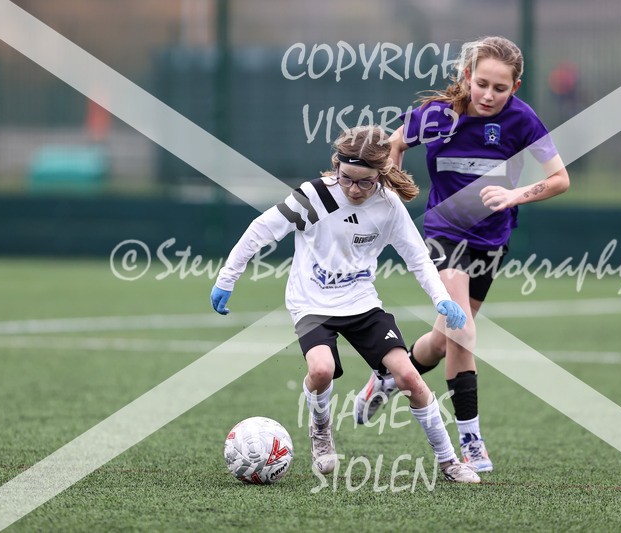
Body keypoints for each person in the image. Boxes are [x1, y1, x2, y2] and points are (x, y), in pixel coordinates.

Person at [210, 125, 480, 483]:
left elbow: (418, 258)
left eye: (364, 182)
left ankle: (449, 462)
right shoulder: (315, 196)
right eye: (346, 178)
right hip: (312, 303)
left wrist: (442, 300)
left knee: (409, 377)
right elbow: (261, 229)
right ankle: (321, 431)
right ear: (336, 166)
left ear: (380, 175)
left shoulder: (388, 206)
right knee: (320, 370)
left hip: (362, 303)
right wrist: (227, 278)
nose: (354, 189)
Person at [354, 36, 570, 473]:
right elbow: (394, 143)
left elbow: (560, 179)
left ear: (516, 87)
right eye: (483, 84)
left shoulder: (523, 120)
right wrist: (393, 181)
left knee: (441, 340)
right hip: (443, 231)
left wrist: (515, 196)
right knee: (463, 329)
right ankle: (471, 441)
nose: (489, 95)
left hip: (491, 241)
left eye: (500, 88)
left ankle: (389, 375)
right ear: (468, 77)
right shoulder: (438, 115)